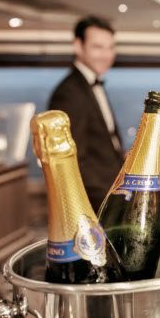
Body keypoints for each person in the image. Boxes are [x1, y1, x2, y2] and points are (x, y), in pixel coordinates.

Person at [48, 15, 124, 210]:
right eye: (98, 47)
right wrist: (109, 202)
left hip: (111, 194)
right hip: (94, 204)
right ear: (78, 46)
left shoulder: (91, 84)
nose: (106, 55)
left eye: (110, 48)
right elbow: (73, 163)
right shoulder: (69, 93)